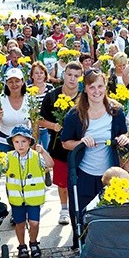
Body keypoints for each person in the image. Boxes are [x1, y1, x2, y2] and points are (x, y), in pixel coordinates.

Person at [61, 70, 129, 248]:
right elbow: (65, 143)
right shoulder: (75, 115)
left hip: (109, 173)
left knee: (109, 211)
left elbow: (123, 133)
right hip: (83, 172)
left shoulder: (116, 111)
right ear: (85, 89)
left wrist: (124, 139)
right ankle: (81, 242)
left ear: (106, 87)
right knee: (81, 212)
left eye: (100, 86)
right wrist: (80, 142)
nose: (96, 91)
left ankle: (106, 245)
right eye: (92, 87)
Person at [39, 62, 84, 225]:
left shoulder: (84, 96)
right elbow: (39, 120)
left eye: (76, 76)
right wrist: (54, 126)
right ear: (63, 75)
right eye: (69, 75)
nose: (72, 79)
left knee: (80, 180)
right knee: (62, 181)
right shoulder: (52, 95)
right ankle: (64, 209)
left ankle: (79, 208)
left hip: (81, 147)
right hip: (58, 147)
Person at [5, 125, 54, 258]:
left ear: (30, 142)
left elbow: (50, 164)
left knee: (34, 223)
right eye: (17, 142)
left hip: (33, 198)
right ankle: (22, 246)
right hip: (17, 199)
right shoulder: (8, 157)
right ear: (12, 143)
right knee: (19, 224)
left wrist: (43, 151)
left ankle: (33, 243)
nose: (20, 145)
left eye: (24, 141)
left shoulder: (37, 156)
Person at [0, 68, 30, 152]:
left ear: (22, 82)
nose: (14, 84)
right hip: (4, 140)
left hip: (24, 141)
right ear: (6, 83)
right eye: (10, 82)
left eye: (17, 81)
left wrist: (34, 143)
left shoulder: (30, 99)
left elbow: (35, 123)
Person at [28, 62, 54, 150]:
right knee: (34, 152)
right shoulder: (28, 90)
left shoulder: (50, 89)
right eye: (36, 73)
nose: (39, 75)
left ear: (45, 75)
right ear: (32, 76)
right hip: (33, 127)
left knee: (47, 151)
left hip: (47, 128)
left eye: (41, 73)